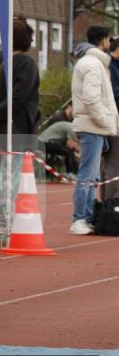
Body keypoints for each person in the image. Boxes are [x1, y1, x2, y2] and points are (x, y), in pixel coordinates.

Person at [0, 19, 40, 248]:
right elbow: (19, 98)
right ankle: (3, 228)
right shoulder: (26, 64)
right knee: (6, 182)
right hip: (15, 130)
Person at [71, 25, 119, 233]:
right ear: (104, 40)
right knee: (88, 174)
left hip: (94, 125)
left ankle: (87, 216)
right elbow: (91, 98)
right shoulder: (92, 64)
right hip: (92, 126)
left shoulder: (94, 63)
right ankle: (79, 218)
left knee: (93, 175)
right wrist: (104, 120)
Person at [102, 35, 119, 200]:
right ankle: (111, 203)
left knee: (109, 165)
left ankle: (109, 203)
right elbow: (113, 94)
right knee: (113, 164)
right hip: (113, 122)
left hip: (110, 121)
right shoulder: (110, 68)